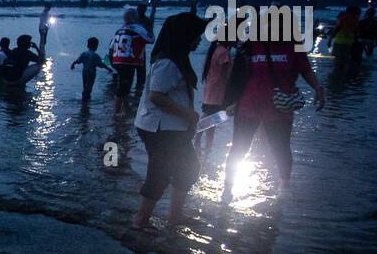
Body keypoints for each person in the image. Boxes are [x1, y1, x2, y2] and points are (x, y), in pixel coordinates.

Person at [220, 22, 326, 203]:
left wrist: (318, 88)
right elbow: (236, 74)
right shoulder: (250, 45)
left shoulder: (294, 47)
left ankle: (284, 186)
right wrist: (229, 101)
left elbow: (306, 70)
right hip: (248, 106)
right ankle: (227, 190)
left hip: (280, 108)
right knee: (239, 148)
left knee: (281, 148)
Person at [132, 12, 208, 232]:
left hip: (170, 127)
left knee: (188, 169)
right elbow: (156, 96)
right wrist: (188, 114)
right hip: (159, 128)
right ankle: (140, 221)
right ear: (185, 36)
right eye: (196, 35)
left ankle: (174, 216)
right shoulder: (168, 62)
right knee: (160, 174)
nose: (199, 40)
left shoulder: (175, 58)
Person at [194, 26, 234, 156]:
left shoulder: (216, 50)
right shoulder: (223, 53)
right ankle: (200, 142)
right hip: (217, 89)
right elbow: (228, 74)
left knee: (211, 117)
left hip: (211, 88)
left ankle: (205, 144)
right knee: (212, 117)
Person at [108, 7, 152, 109]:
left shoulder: (119, 30)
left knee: (124, 83)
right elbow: (151, 39)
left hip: (116, 59)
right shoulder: (138, 28)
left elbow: (111, 46)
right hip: (129, 60)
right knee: (125, 85)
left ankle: (126, 107)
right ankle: (117, 111)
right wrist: (148, 28)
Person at [329, 5, 359, 78]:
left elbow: (337, 29)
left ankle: (336, 76)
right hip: (349, 42)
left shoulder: (344, 18)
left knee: (337, 60)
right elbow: (356, 32)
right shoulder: (356, 20)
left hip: (340, 41)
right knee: (345, 59)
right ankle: (342, 75)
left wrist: (330, 39)